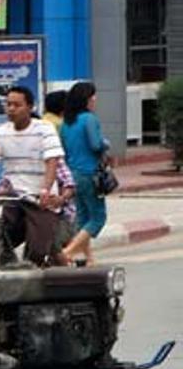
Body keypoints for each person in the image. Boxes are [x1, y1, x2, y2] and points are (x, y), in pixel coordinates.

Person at [0, 86, 68, 266]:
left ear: (30, 107)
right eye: (8, 104)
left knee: (37, 252)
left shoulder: (45, 129)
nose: (11, 109)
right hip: (13, 195)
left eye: (17, 105)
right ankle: (5, 255)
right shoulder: (2, 132)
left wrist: (45, 189)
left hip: (39, 199)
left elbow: (52, 162)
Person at [60, 82, 109, 266]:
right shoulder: (89, 119)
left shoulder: (66, 123)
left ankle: (89, 258)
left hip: (73, 173)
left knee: (82, 217)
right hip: (90, 173)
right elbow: (96, 145)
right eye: (92, 96)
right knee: (97, 217)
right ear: (85, 99)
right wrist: (106, 143)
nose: (95, 99)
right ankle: (68, 252)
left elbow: (65, 149)